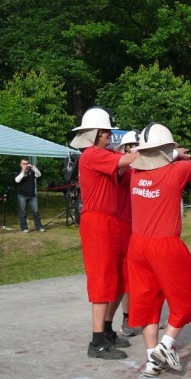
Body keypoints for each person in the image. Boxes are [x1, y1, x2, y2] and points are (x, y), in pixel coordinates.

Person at [127, 123, 191, 377]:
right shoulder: (176, 171)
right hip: (165, 245)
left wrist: (172, 154)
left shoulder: (135, 172)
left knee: (148, 303)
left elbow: (152, 158)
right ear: (167, 149)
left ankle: (151, 360)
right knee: (184, 300)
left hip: (137, 245)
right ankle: (166, 344)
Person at [70, 106, 139, 360]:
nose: (110, 135)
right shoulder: (92, 154)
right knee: (101, 279)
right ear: (97, 133)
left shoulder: (101, 154)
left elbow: (123, 165)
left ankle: (107, 330)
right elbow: (127, 160)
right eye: (107, 131)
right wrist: (161, 150)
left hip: (110, 221)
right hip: (98, 222)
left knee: (118, 277)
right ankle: (97, 341)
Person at [112, 130, 139, 337]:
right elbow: (121, 168)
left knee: (145, 273)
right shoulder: (123, 167)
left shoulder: (144, 168)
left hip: (142, 227)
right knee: (126, 275)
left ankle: (146, 314)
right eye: (133, 146)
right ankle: (127, 317)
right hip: (124, 225)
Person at [15, 158, 45, 233]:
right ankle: (24, 228)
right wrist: (23, 172)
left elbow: (39, 174)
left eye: (27, 163)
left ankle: (39, 227)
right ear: (21, 164)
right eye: (24, 164)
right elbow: (17, 180)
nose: (25, 165)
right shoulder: (18, 173)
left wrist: (33, 167)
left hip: (32, 196)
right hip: (22, 196)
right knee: (23, 213)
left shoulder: (32, 172)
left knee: (36, 212)